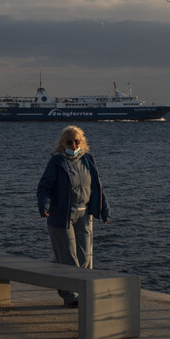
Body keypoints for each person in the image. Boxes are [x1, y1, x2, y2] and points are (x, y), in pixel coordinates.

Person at [36, 125, 110, 308]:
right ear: (62, 143)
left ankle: (84, 291)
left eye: (77, 141)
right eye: (69, 141)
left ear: (82, 142)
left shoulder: (88, 160)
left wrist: (104, 210)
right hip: (62, 216)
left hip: (84, 215)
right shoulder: (57, 162)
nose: (74, 144)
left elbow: (97, 187)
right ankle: (70, 296)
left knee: (85, 258)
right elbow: (44, 187)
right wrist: (44, 207)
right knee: (68, 258)